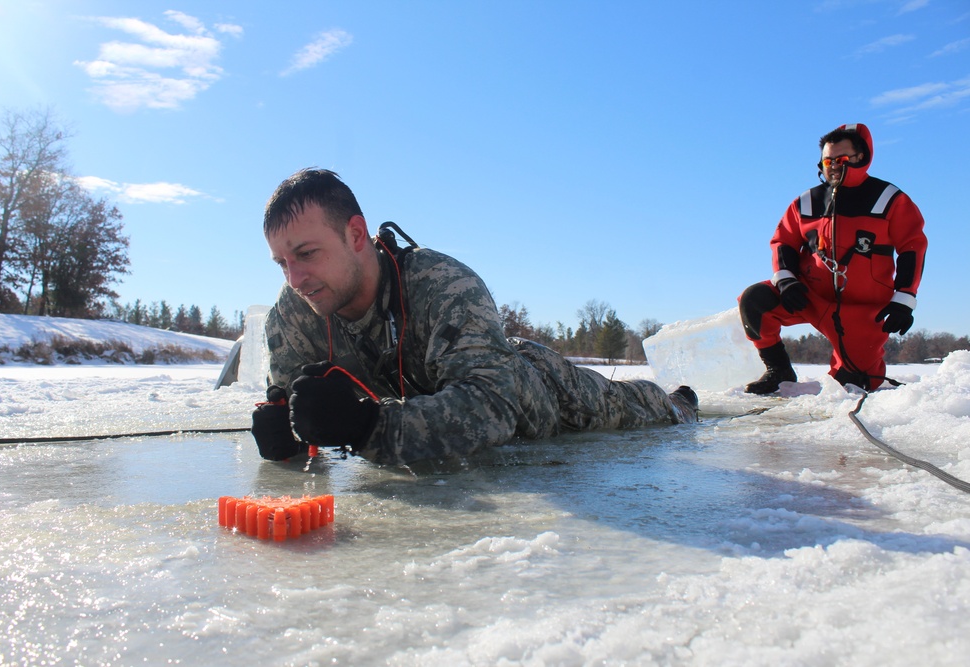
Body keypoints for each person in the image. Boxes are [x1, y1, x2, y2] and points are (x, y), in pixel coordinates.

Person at [250, 168, 698, 466]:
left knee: (628, 406)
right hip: (430, 399)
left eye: (307, 254)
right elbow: (293, 403)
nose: (295, 278)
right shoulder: (294, 312)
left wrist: (368, 427)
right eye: (282, 263)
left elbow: (493, 407)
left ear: (355, 235)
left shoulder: (443, 282)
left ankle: (678, 400)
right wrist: (287, 432)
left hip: (537, 393)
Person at [738, 123, 927, 393]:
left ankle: (858, 375)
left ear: (861, 158)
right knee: (755, 300)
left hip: (863, 310)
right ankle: (778, 370)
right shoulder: (806, 202)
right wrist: (787, 281)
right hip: (809, 296)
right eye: (828, 160)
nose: (833, 166)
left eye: (841, 159)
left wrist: (904, 299)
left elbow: (913, 247)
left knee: (854, 386)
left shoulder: (890, 200)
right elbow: (783, 242)